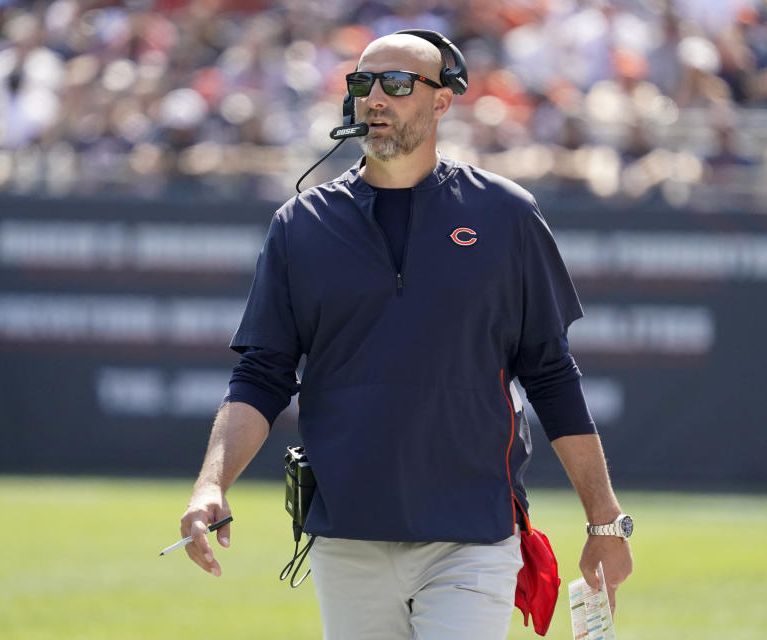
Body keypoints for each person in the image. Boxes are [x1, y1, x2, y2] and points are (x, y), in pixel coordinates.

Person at [179, 31, 633, 639]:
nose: (375, 99)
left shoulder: (507, 215)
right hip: (347, 535)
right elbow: (261, 375)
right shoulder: (300, 225)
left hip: (474, 532)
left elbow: (551, 375)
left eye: (396, 84)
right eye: (362, 83)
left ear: (442, 101)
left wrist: (604, 523)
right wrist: (211, 483)